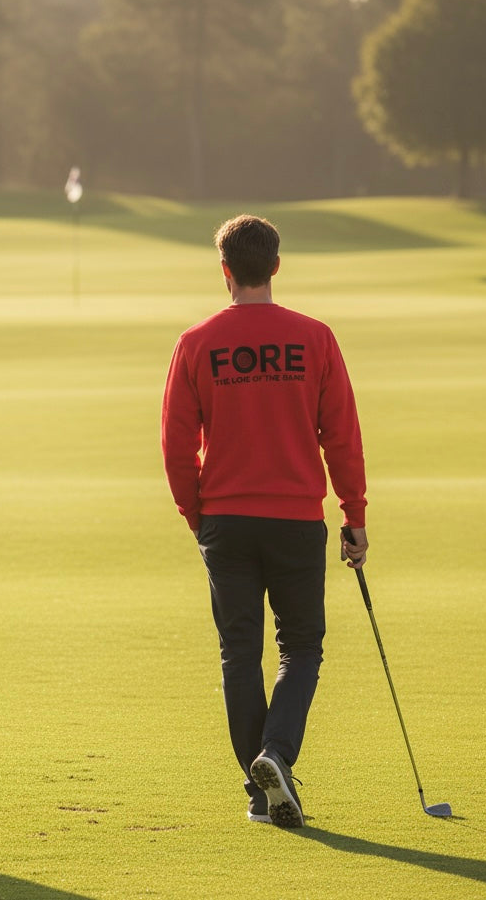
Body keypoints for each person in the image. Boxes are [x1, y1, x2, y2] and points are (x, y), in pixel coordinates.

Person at [160, 215, 368, 828]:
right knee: (301, 648)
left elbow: (175, 446)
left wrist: (197, 515)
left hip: (225, 519)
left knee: (238, 654)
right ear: (275, 267)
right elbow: (343, 438)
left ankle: (261, 792)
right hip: (297, 519)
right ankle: (275, 756)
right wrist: (353, 516)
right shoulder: (315, 338)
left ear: (225, 270)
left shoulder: (197, 343)